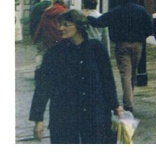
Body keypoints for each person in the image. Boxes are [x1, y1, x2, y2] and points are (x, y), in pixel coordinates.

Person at [29, 10, 123, 143]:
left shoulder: (96, 49)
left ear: (79, 26)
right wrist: (38, 119)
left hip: (94, 114)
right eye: (60, 24)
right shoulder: (54, 53)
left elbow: (107, 80)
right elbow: (43, 87)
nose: (61, 28)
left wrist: (115, 106)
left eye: (66, 24)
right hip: (64, 116)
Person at [88, 0, 153, 112]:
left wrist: (86, 17)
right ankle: (129, 99)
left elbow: (99, 22)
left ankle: (128, 103)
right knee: (133, 73)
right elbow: (150, 27)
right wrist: (141, 37)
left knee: (125, 73)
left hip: (122, 45)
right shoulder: (141, 10)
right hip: (138, 45)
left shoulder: (116, 11)